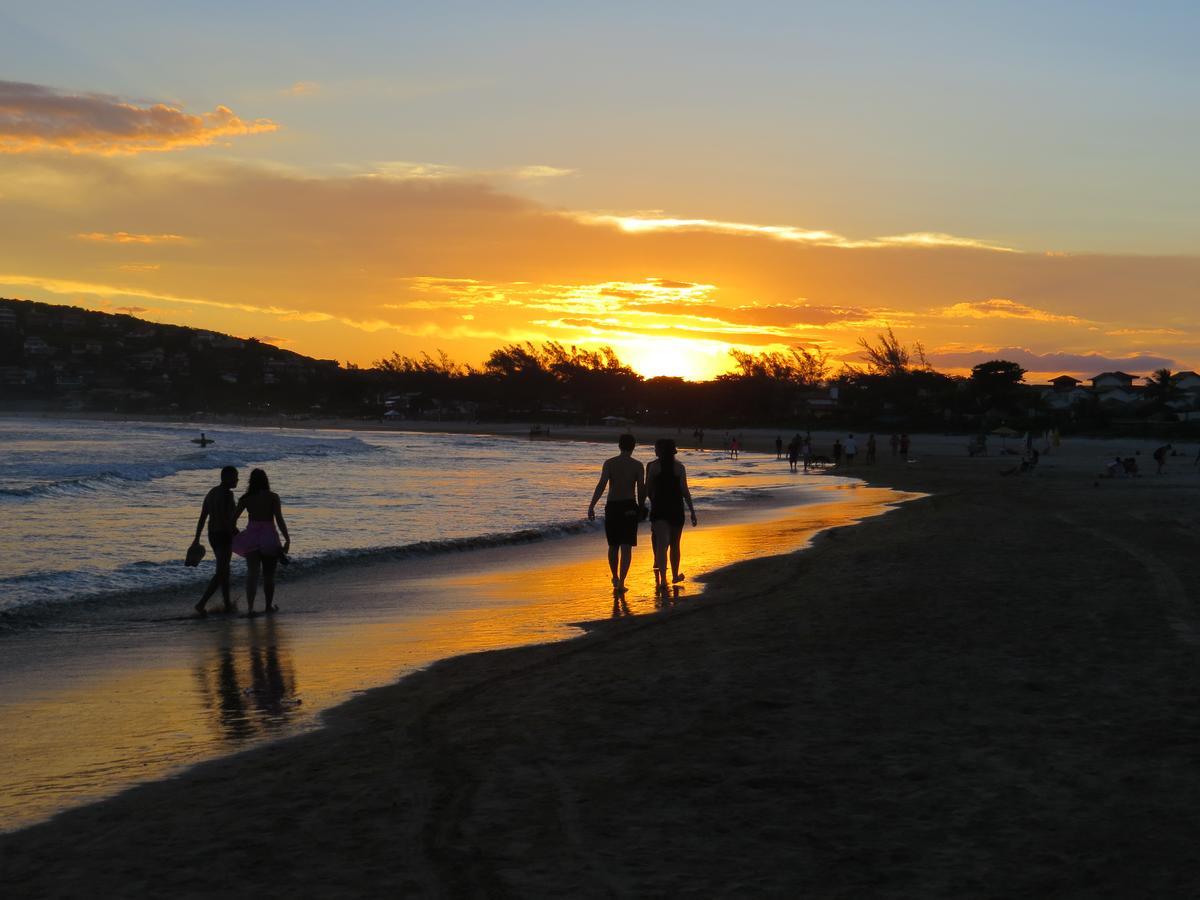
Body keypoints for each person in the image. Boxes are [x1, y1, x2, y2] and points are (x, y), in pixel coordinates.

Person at [587, 434, 646, 594]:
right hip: (629, 506)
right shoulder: (638, 465)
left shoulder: (610, 463)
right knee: (626, 546)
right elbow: (641, 489)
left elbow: (601, 485)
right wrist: (641, 507)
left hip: (612, 506)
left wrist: (592, 505)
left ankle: (614, 577)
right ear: (633, 447)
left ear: (619, 446)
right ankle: (622, 583)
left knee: (613, 545)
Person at [231, 468, 291, 614]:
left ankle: (250, 608)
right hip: (269, 537)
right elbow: (279, 519)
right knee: (269, 576)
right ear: (266, 480)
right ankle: (268, 606)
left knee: (252, 574)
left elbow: (232, 521)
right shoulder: (273, 497)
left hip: (251, 536)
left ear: (250, 482)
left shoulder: (245, 499)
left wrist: (239, 535)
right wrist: (287, 538)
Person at [646, 438, 697, 591]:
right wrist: (692, 511)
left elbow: (648, 489)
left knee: (662, 544)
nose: (654, 451)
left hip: (660, 508)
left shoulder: (654, 467)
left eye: (656, 448)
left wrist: (651, 500)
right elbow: (684, 491)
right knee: (675, 544)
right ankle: (674, 575)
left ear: (660, 451)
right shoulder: (680, 467)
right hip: (676, 508)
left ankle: (663, 580)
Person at [192, 465, 239, 615]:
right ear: (225, 478)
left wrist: (197, 539)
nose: (237, 479)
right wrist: (236, 532)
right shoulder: (227, 495)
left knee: (225, 570)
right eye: (234, 477)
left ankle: (227, 604)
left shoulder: (211, 492)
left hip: (212, 534)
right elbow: (227, 519)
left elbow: (202, 517)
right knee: (221, 572)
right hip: (224, 535)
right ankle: (201, 603)